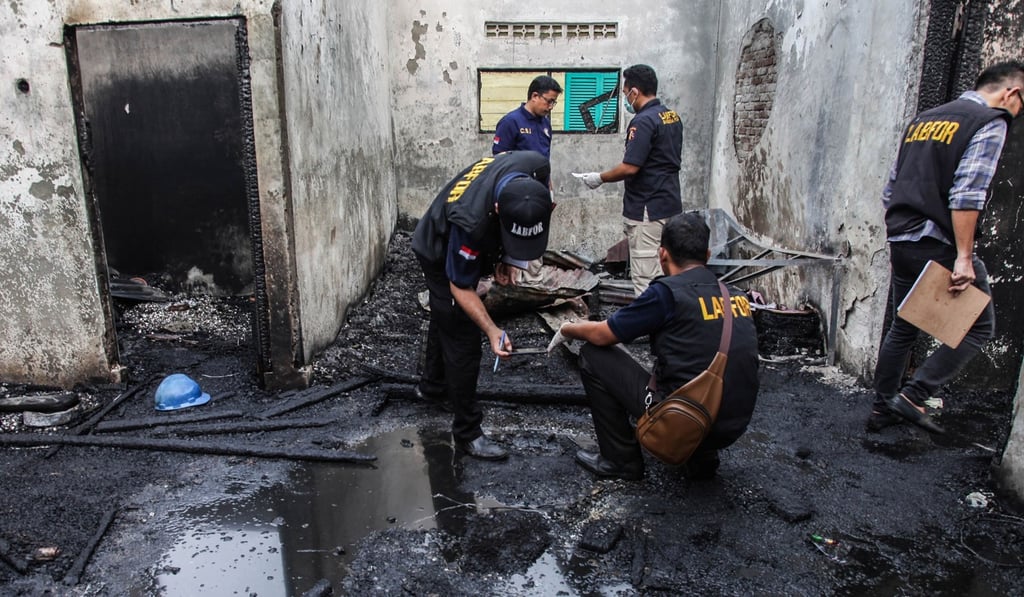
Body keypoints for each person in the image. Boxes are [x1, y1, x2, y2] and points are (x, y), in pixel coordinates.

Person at [869, 61, 1024, 434]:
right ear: (1012, 94)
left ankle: (881, 409)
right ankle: (913, 395)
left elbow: (891, 189)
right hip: (937, 242)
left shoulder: (925, 119)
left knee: (903, 327)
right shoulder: (989, 122)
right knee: (980, 327)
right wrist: (965, 258)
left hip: (902, 237)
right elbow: (967, 195)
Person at [547, 212, 759, 481]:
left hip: (689, 418)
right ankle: (702, 456)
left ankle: (620, 461)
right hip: (732, 425)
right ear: (706, 255)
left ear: (662, 255)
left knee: (593, 354)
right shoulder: (736, 296)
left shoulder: (666, 293)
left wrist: (568, 328)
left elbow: (604, 334)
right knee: (690, 360)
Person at [412, 150, 554, 460]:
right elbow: (460, 287)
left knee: (444, 314)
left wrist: (510, 257)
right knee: (461, 332)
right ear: (498, 209)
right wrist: (492, 329)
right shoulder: (470, 221)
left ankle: (432, 387)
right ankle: (467, 433)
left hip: (474, 229)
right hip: (437, 247)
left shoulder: (535, 165)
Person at [574, 64, 683, 296]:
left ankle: (652, 326)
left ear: (634, 92)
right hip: (670, 203)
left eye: (625, 94)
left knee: (647, 276)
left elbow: (630, 167)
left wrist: (599, 178)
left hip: (647, 208)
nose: (625, 100)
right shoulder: (671, 116)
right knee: (668, 270)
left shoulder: (642, 121)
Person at [492, 75, 562, 286]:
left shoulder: (545, 123)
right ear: (534, 96)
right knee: (516, 237)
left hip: (539, 193)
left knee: (536, 235)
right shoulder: (511, 122)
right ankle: (513, 283)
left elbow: (544, 159)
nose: (551, 106)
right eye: (549, 101)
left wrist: (548, 189)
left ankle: (534, 284)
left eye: (554, 102)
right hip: (517, 195)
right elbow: (499, 163)